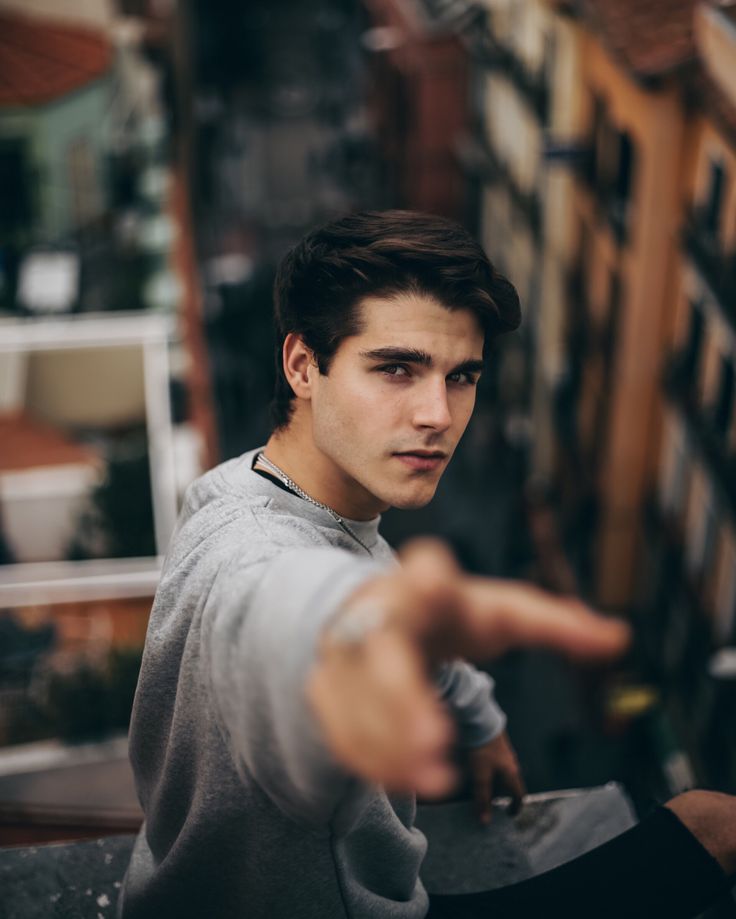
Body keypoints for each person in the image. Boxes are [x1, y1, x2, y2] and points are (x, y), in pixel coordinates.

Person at [119, 211, 735, 919]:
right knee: (711, 824)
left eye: (462, 375)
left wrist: (474, 712)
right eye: (396, 369)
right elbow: (279, 608)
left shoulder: (245, 482)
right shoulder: (253, 558)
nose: (438, 412)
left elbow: (374, 580)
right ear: (302, 366)